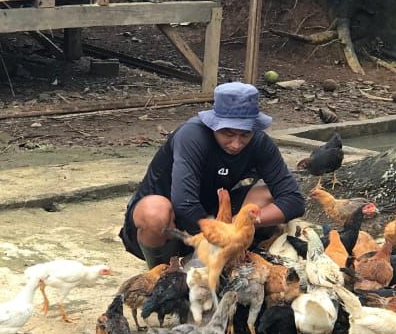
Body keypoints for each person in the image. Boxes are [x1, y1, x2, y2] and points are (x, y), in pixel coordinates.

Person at [120, 82, 306, 268]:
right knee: (154, 211)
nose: (236, 144)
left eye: (244, 135)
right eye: (228, 133)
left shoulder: (260, 143)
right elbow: (184, 204)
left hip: (214, 214)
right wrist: (218, 233)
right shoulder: (192, 136)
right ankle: (160, 271)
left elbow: (294, 200)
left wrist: (235, 225)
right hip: (171, 224)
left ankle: (223, 259)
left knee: (267, 195)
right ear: (213, 125)